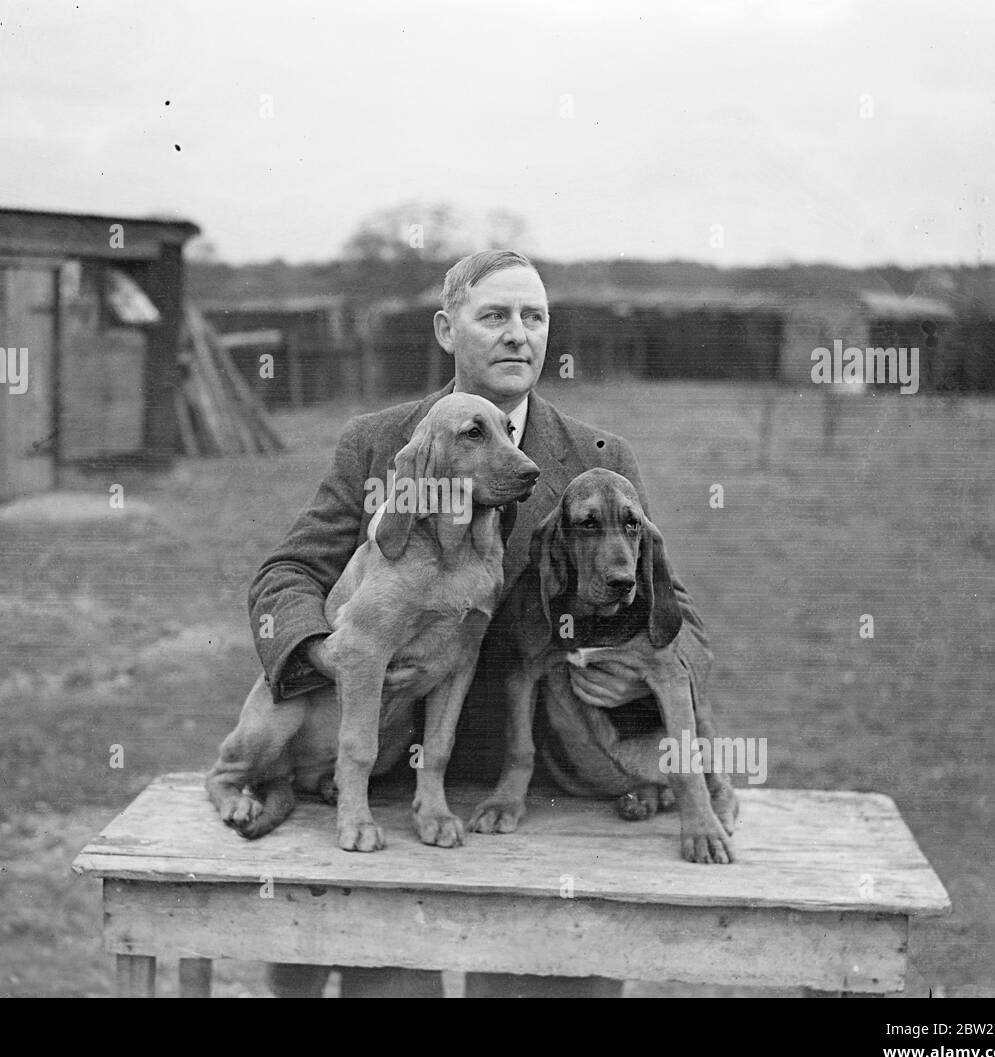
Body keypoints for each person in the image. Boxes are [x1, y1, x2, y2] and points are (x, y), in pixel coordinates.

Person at [248, 249, 714, 997]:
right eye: (494, 315)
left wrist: (616, 680)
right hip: (392, 784)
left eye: (534, 317)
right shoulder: (378, 442)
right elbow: (286, 576)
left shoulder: (599, 458)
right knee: (382, 985)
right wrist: (324, 652)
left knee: (550, 988)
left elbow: (674, 616)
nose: (517, 335)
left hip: (543, 795)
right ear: (445, 327)